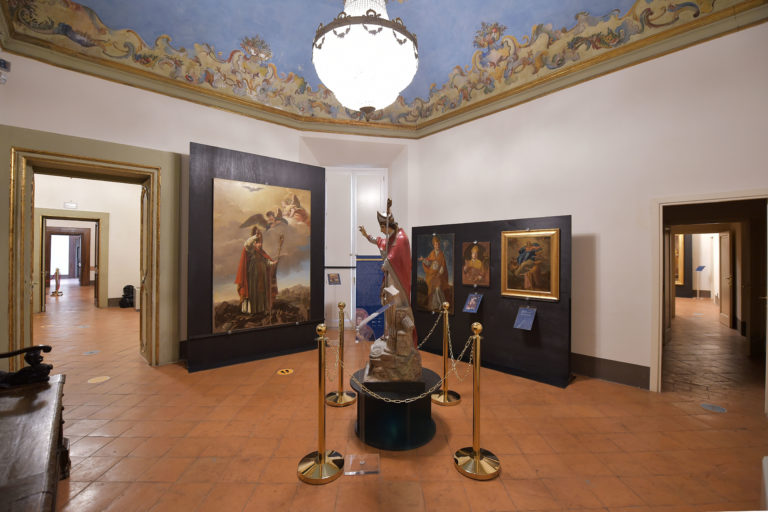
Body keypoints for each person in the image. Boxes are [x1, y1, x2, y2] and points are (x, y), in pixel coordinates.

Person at [359, 199, 417, 346]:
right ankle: (389, 333)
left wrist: (386, 263)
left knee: (395, 305)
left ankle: (395, 334)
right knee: (387, 304)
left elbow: (395, 256)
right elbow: (378, 241)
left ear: (386, 226)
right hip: (389, 278)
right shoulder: (389, 239)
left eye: (381, 227)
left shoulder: (401, 238)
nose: (380, 230)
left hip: (398, 281)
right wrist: (366, 235)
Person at [235, 226, 280, 316]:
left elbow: (266, 262)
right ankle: (252, 310)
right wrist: (256, 236)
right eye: (258, 242)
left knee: (261, 292)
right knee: (253, 292)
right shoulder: (251, 250)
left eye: (260, 242)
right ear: (254, 242)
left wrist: (273, 263)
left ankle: (261, 309)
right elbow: (247, 245)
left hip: (262, 276)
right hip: (253, 276)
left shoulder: (261, 252)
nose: (260, 244)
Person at [419, 235, 450, 311]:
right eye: (436, 244)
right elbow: (429, 263)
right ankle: (434, 305)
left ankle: (441, 305)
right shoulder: (432, 253)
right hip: (431, 275)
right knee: (432, 290)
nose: (437, 245)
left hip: (438, 275)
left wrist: (439, 273)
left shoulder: (441, 254)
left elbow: (443, 266)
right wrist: (423, 260)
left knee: (438, 288)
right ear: (434, 245)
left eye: (438, 244)